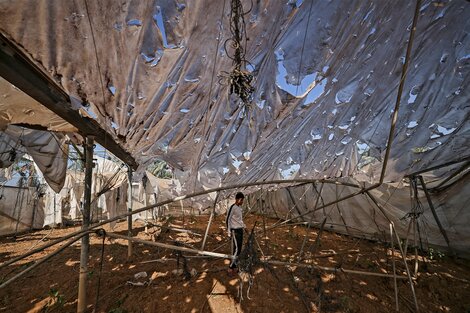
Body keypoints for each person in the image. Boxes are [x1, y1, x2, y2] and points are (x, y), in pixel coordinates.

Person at [226, 192, 245, 274]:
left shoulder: (239, 208)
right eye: (242, 200)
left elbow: (239, 220)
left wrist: (244, 225)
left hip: (240, 229)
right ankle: (231, 267)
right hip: (235, 231)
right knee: (237, 249)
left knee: (239, 248)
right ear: (238, 199)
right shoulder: (232, 207)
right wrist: (229, 231)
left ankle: (235, 264)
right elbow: (228, 219)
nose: (242, 202)